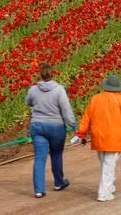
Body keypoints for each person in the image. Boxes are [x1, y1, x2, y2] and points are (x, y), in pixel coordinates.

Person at [75, 75, 121, 202]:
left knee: (105, 164)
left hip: (98, 137)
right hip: (114, 137)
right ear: (118, 88)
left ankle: (109, 187)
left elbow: (86, 118)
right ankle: (103, 193)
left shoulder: (95, 99)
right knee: (108, 165)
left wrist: (81, 133)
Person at [25, 63, 77, 198]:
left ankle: (39, 190)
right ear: (53, 74)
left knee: (39, 158)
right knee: (56, 154)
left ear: (40, 75)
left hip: (38, 126)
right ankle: (58, 182)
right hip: (56, 127)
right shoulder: (59, 90)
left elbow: (28, 102)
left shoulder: (33, 89)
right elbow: (66, 110)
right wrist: (73, 124)